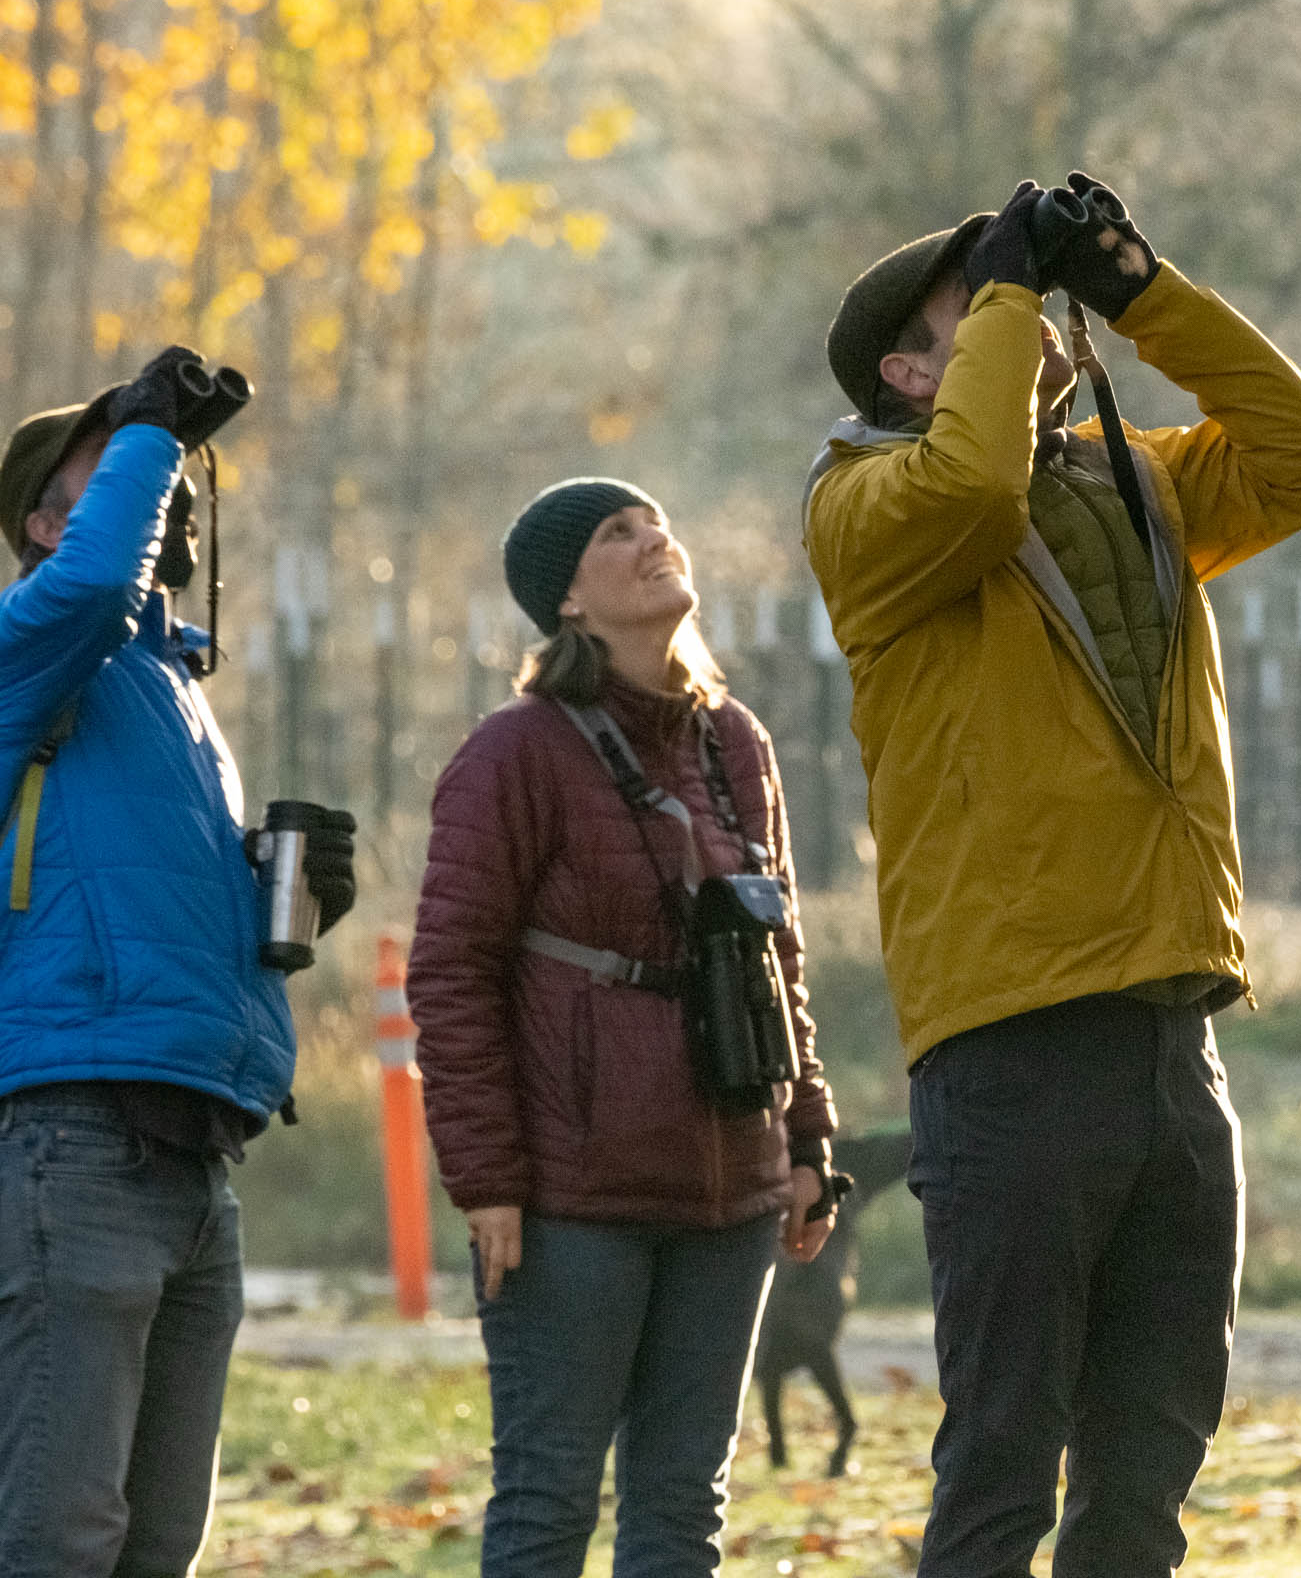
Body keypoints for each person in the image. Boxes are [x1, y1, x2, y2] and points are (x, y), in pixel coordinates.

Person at [803, 173, 1301, 1577]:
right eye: (976, 308)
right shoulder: (863, 508)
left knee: (1147, 1470)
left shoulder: (1136, 480)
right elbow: (976, 486)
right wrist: (1002, 286)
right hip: (1011, 1042)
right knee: (1002, 1466)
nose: (1022, 313)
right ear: (907, 368)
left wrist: (1137, 291)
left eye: (1020, 294)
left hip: (1176, 1031)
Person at [409, 478, 843, 1577]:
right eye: (617, 533)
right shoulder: (514, 753)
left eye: (654, 522)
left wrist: (806, 1143)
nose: (653, 538)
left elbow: (776, 955)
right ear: (566, 602)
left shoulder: (733, 741)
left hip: (730, 1190)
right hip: (572, 1201)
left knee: (683, 1511)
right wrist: (488, 1180)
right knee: (550, 1503)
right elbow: (450, 976)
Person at [0, 347, 355, 1576]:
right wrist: (149, 426)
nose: (161, 486)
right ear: (44, 521)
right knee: (59, 1535)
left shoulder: (171, 691)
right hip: (73, 1136)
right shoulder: (27, 649)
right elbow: (97, 584)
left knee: (159, 1545)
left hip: (199, 1152)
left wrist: (290, 909)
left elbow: (127, 916)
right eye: (120, 468)